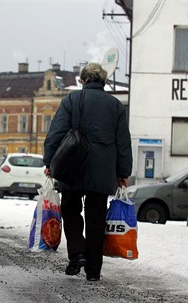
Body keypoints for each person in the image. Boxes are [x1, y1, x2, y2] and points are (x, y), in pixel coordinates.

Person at [43, 63, 132, 282]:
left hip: (72, 166)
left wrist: (49, 161)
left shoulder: (71, 100)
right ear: (103, 82)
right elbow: (123, 143)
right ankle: (93, 271)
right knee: (96, 218)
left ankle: (77, 253)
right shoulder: (116, 106)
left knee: (70, 209)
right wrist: (123, 172)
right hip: (102, 171)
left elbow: (56, 132)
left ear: (83, 81)